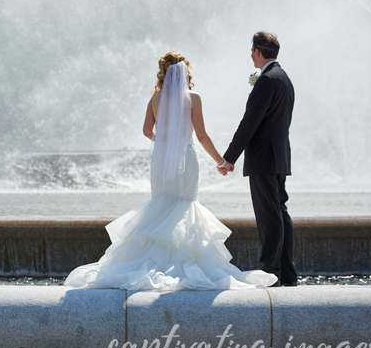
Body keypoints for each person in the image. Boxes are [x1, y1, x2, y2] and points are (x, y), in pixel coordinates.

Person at [64, 52, 277, 291]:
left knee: (162, 204)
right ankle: (181, 261)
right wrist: (221, 161)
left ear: (164, 72)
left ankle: (152, 259)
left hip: (161, 159)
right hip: (185, 158)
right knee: (184, 204)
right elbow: (202, 136)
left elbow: (147, 131)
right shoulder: (193, 98)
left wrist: (165, 142)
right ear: (185, 73)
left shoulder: (155, 98)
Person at [219, 32, 297, 287]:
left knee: (269, 216)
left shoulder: (266, 81)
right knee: (280, 212)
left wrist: (229, 157)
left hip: (265, 157)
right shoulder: (284, 78)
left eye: (251, 50)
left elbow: (250, 122)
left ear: (257, 51)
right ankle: (287, 273)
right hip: (278, 156)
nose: (250, 54)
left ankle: (270, 272)